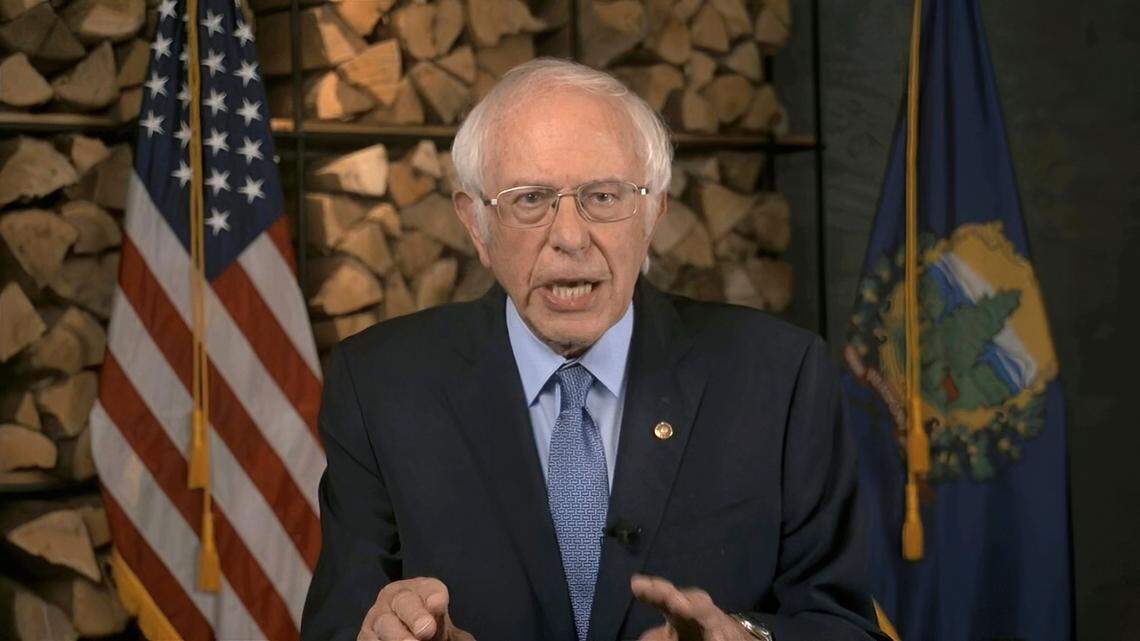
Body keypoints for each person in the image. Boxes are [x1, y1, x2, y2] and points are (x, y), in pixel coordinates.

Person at [300, 58, 888, 641]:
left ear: (653, 213)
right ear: (476, 225)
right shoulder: (380, 385)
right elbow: (338, 627)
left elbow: (846, 627)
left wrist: (745, 638)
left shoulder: (781, 377)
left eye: (604, 197)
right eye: (531, 199)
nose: (570, 237)